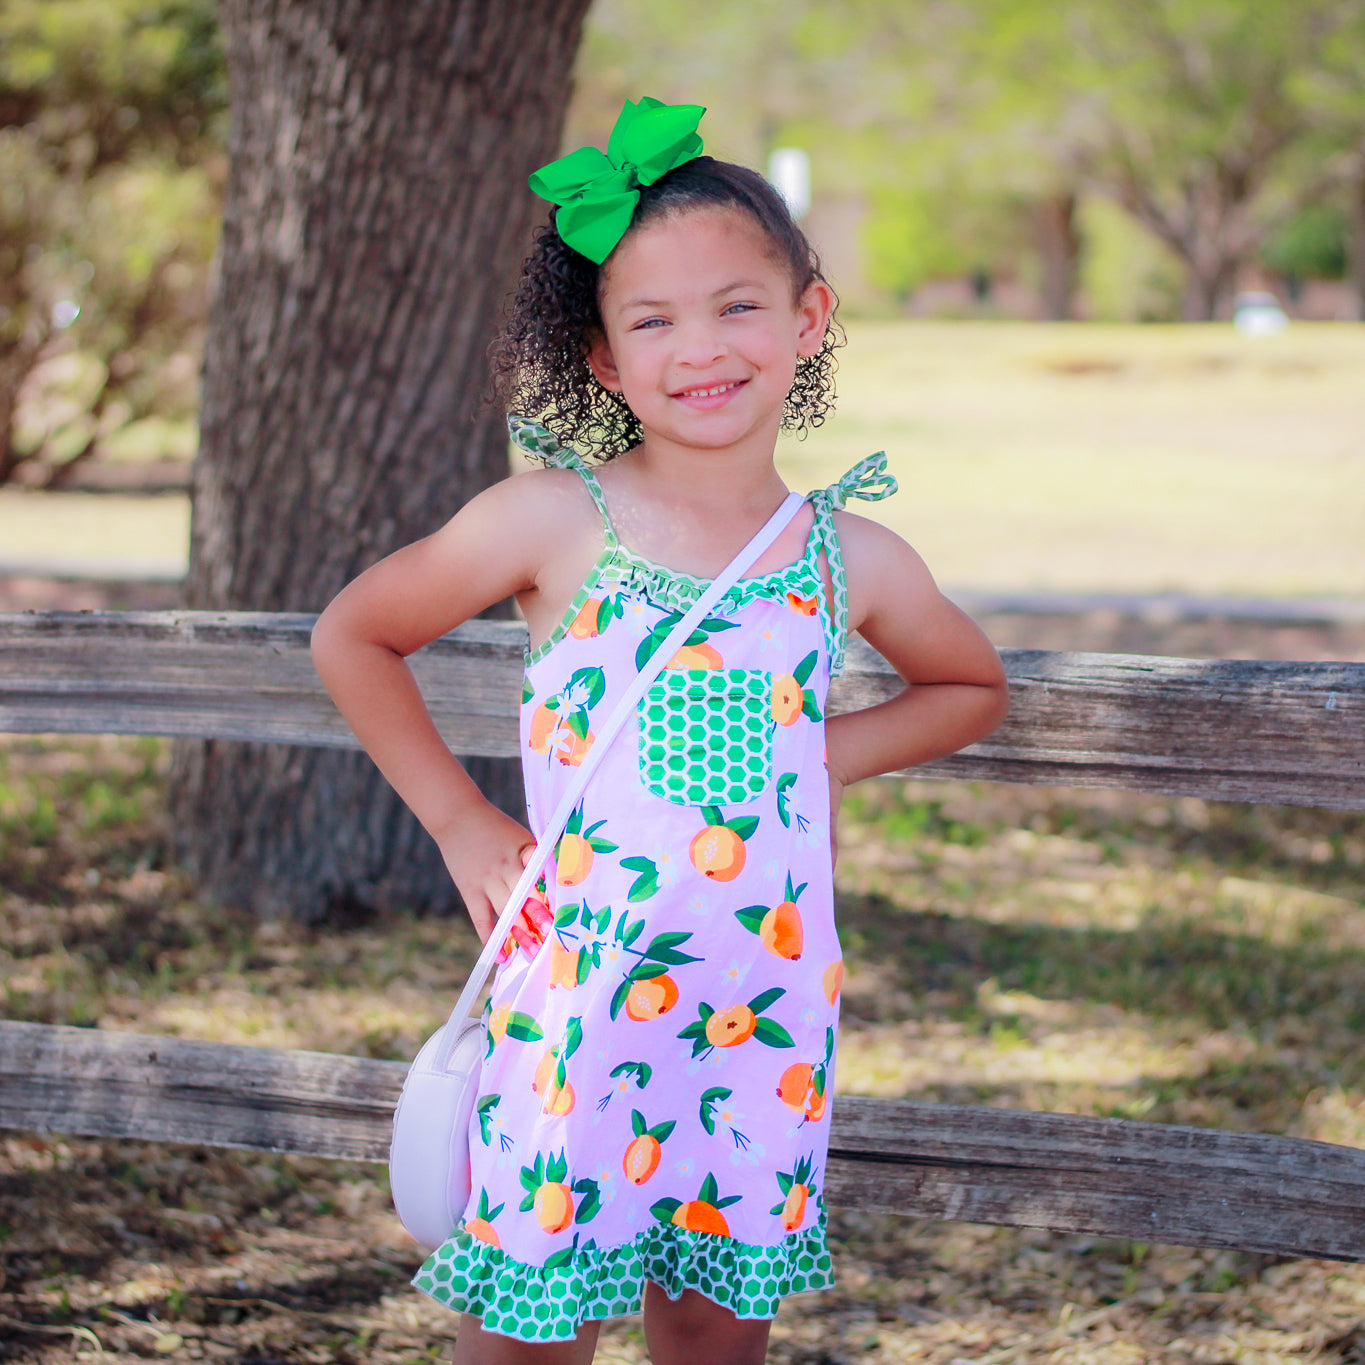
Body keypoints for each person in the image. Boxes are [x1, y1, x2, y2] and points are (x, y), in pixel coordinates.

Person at [311, 97, 1008, 1365]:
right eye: (653, 321)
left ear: (808, 318)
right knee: (533, 1322)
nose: (702, 348)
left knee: (713, 1326)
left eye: (738, 306)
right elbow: (355, 635)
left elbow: (969, 685)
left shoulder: (849, 555)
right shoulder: (552, 522)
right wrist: (461, 823)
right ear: (603, 359)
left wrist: (811, 760)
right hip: (581, 1006)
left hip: (761, 1009)